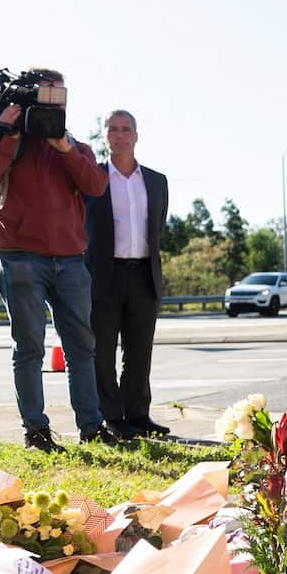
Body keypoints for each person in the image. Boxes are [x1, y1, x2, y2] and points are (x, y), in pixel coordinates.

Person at [0, 67, 122, 451]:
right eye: (47, 95)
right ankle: (36, 432)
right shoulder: (7, 139)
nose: (55, 103)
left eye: (60, 96)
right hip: (20, 258)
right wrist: (6, 138)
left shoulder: (73, 145)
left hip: (70, 260)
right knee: (29, 348)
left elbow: (96, 185)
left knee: (81, 348)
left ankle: (92, 426)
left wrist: (65, 149)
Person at [84, 110, 170, 438]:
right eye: (113, 129)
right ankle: (112, 417)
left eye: (126, 129)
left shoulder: (156, 181)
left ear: (136, 136)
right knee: (103, 351)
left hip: (144, 275)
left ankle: (138, 415)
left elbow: (158, 225)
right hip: (104, 276)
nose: (120, 135)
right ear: (104, 135)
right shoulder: (92, 178)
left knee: (139, 352)